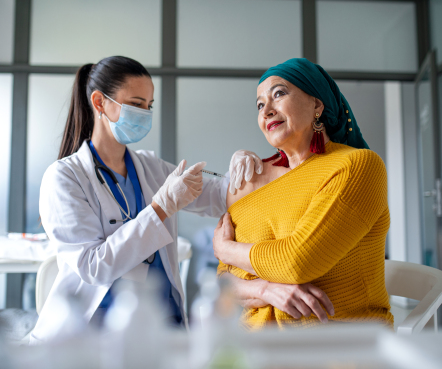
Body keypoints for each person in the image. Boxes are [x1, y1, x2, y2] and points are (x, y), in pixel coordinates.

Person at [30, 56, 263, 343]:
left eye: (149, 106)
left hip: (163, 327)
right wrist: (160, 208)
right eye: (136, 104)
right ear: (100, 103)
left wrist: (244, 171)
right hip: (95, 335)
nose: (145, 114)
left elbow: (217, 197)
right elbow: (94, 266)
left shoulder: (149, 167)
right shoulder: (65, 177)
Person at [213, 58, 393, 330]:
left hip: (338, 349)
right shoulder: (254, 182)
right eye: (260, 105)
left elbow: (297, 261)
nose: (267, 111)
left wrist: (225, 249)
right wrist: (263, 289)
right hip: (254, 348)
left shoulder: (357, 166)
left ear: (317, 105)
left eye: (279, 94)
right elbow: (223, 279)